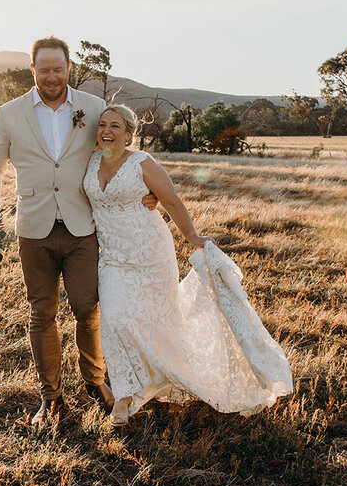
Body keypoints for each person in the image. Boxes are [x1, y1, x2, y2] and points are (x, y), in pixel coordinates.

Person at [0, 37, 157, 426]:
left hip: (82, 228)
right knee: (41, 312)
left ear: (69, 68)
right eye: (44, 70)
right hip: (34, 230)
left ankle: (94, 383)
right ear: (33, 70)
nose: (52, 76)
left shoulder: (92, 109)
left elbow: (117, 148)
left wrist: (145, 191)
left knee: (87, 309)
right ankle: (52, 397)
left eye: (58, 69)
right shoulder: (9, 113)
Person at [84, 104, 294, 426]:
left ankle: (157, 386)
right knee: (114, 320)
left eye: (115, 126)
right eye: (102, 125)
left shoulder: (142, 162)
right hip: (112, 258)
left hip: (150, 256)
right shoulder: (91, 160)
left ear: (129, 133)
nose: (107, 131)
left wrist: (193, 236)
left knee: (160, 323)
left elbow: (170, 200)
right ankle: (126, 394)